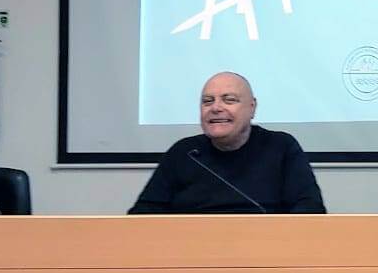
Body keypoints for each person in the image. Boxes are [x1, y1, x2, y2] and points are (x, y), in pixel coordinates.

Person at [128, 72, 326, 214]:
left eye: (228, 100)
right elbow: (142, 215)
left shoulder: (281, 147)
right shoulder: (185, 153)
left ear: (252, 108)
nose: (216, 108)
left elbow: (310, 209)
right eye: (207, 101)